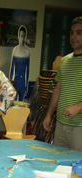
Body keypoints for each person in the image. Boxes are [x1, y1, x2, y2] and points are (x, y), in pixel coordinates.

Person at [42, 16, 82, 151]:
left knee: (78, 167)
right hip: (61, 124)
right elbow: (58, 89)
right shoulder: (64, 61)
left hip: (79, 127)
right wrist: (49, 115)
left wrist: (79, 105)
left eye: (79, 32)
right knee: (59, 163)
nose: (74, 36)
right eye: (72, 32)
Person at [9, 25, 30, 101]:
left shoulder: (27, 51)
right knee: (13, 102)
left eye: (24, 36)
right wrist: (10, 84)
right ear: (18, 36)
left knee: (21, 103)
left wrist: (27, 85)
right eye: (21, 36)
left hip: (23, 82)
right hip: (16, 81)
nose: (22, 38)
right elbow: (12, 69)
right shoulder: (15, 50)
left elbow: (27, 70)